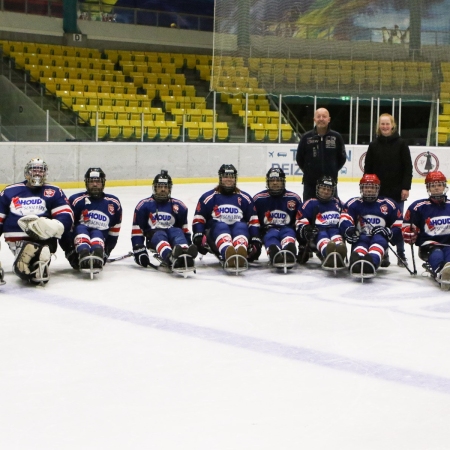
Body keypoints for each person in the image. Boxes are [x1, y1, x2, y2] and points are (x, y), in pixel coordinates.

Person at [0, 158, 73, 284]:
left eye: (41, 171)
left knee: (40, 258)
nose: (38, 173)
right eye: (34, 170)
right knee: (36, 260)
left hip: (43, 238)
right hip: (15, 241)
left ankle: (36, 262)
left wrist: (56, 226)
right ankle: (36, 261)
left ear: (45, 173)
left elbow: (66, 215)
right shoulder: (10, 191)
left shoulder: (53, 191)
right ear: (27, 173)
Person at [364, 113, 413, 267]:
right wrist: (368, 188)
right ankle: (383, 252)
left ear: (393, 125)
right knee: (381, 223)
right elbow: (368, 169)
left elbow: (408, 168)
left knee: (397, 224)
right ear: (378, 126)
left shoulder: (401, 144)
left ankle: (400, 253)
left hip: (397, 192)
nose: (385, 126)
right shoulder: (373, 146)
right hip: (378, 193)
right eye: (382, 124)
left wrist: (405, 187)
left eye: (387, 124)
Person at [192, 164, 260, 269]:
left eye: (231, 177)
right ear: (220, 178)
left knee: (241, 226)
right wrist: (198, 234)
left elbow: (253, 221)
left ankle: (239, 251)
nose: (229, 179)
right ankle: (228, 252)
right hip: (215, 234)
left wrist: (255, 239)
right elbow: (199, 219)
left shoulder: (245, 198)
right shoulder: (209, 197)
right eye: (226, 176)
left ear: (235, 179)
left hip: (238, 231)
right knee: (221, 226)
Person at [131, 170, 197, 271]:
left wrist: (188, 242)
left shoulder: (179, 206)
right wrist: (139, 250)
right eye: (160, 187)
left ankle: (185, 253)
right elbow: (137, 232)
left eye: (165, 187)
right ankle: (171, 256)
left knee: (177, 231)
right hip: (154, 237)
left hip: (172, 234)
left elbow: (184, 230)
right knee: (159, 234)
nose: (163, 189)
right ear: (155, 188)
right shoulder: (143, 206)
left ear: (169, 189)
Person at [339, 174, 403, 276]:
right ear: (361, 188)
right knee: (360, 243)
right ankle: (356, 262)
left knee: (379, 240)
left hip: (380, 238)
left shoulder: (388, 204)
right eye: (366, 187)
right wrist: (349, 230)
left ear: (378, 189)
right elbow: (344, 219)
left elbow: (399, 225)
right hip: (360, 236)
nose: (369, 190)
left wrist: (389, 232)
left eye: (372, 187)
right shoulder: (353, 203)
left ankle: (371, 263)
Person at [65, 168, 122, 272]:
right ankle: (83, 251)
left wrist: (106, 252)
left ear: (103, 183)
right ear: (86, 183)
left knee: (98, 233)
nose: (95, 184)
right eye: (91, 181)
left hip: (101, 236)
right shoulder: (76, 200)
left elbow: (114, 231)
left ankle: (98, 251)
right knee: (81, 229)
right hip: (80, 234)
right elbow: (67, 228)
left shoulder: (114, 203)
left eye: (98, 181)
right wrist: (70, 252)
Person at [402, 171, 450, 290]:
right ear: (428, 188)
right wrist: (409, 232)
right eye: (433, 185)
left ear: (444, 186)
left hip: (448, 243)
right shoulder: (418, 206)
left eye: (439, 185)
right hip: (429, 245)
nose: (436, 188)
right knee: (437, 253)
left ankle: (447, 270)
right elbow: (407, 226)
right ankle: (441, 272)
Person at [253, 167, 302, 266]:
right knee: (270, 237)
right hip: (268, 230)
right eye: (272, 180)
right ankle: (274, 253)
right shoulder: (258, 199)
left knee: (288, 235)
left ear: (283, 182)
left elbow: (300, 221)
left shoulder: (294, 198)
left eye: (278, 180)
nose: (275, 183)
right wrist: (255, 239)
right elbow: (253, 221)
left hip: (287, 229)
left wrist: (303, 245)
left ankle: (289, 250)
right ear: (267, 182)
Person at [296, 107, 347, 202]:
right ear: (314, 119)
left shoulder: (336, 137)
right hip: (310, 185)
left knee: (331, 213)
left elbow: (342, 158)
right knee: (308, 213)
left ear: (329, 119)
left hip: (330, 185)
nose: (321, 119)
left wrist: (332, 170)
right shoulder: (306, 137)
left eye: (324, 116)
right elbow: (300, 158)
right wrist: (309, 171)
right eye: (318, 116)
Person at [297, 176, 347, 268]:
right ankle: (329, 256)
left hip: (335, 231)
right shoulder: (310, 203)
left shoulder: (338, 203)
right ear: (318, 189)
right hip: (319, 232)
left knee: (338, 241)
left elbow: (348, 214)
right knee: (324, 241)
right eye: (323, 189)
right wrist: (306, 228)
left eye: (329, 189)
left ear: (333, 191)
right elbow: (300, 220)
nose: (326, 192)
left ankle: (339, 256)